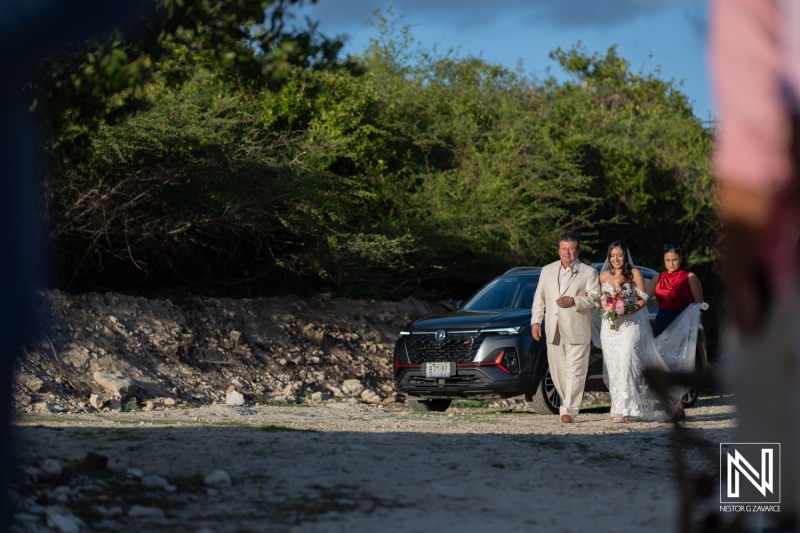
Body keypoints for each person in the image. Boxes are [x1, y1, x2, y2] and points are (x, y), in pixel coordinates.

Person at [710, 0, 800, 525]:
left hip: (783, 281)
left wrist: (743, 285)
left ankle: (754, 516)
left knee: (760, 489)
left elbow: (756, 151)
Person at [596, 241, 683, 423]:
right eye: (612, 256)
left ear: (625, 256)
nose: (616, 259)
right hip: (609, 327)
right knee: (614, 365)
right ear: (608, 257)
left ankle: (627, 409)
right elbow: (598, 300)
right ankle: (618, 406)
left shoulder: (634, 273)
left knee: (627, 362)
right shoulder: (602, 276)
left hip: (630, 325)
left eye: (619, 255)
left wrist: (626, 311)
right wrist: (603, 305)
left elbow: (643, 300)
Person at [530, 233, 600, 423]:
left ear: (577, 251)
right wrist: (536, 322)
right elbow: (539, 298)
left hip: (578, 329)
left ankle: (569, 409)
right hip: (553, 330)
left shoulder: (588, 272)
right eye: (564, 248)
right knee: (558, 371)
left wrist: (574, 300)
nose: (567, 252)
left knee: (575, 371)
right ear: (559, 250)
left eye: (571, 248)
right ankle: (566, 404)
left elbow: (595, 298)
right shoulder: (547, 270)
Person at [646, 244, 704, 337]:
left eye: (674, 260)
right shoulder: (658, 278)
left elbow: (699, 301)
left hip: (683, 322)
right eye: (667, 260)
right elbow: (643, 297)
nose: (671, 264)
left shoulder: (690, 277)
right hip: (662, 321)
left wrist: (690, 314)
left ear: (680, 258)